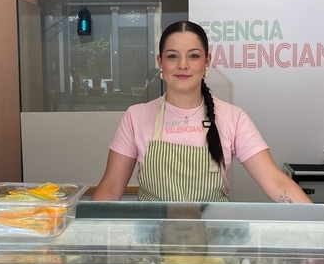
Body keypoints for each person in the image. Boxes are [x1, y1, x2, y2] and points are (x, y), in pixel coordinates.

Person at [92, 21, 312, 203]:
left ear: (207, 60)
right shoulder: (136, 117)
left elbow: (276, 182)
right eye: (172, 56)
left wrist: (322, 226)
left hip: (213, 246)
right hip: (154, 246)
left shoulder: (233, 118)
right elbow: (111, 188)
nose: (183, 65)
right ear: (160, 62)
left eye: (194, 56)